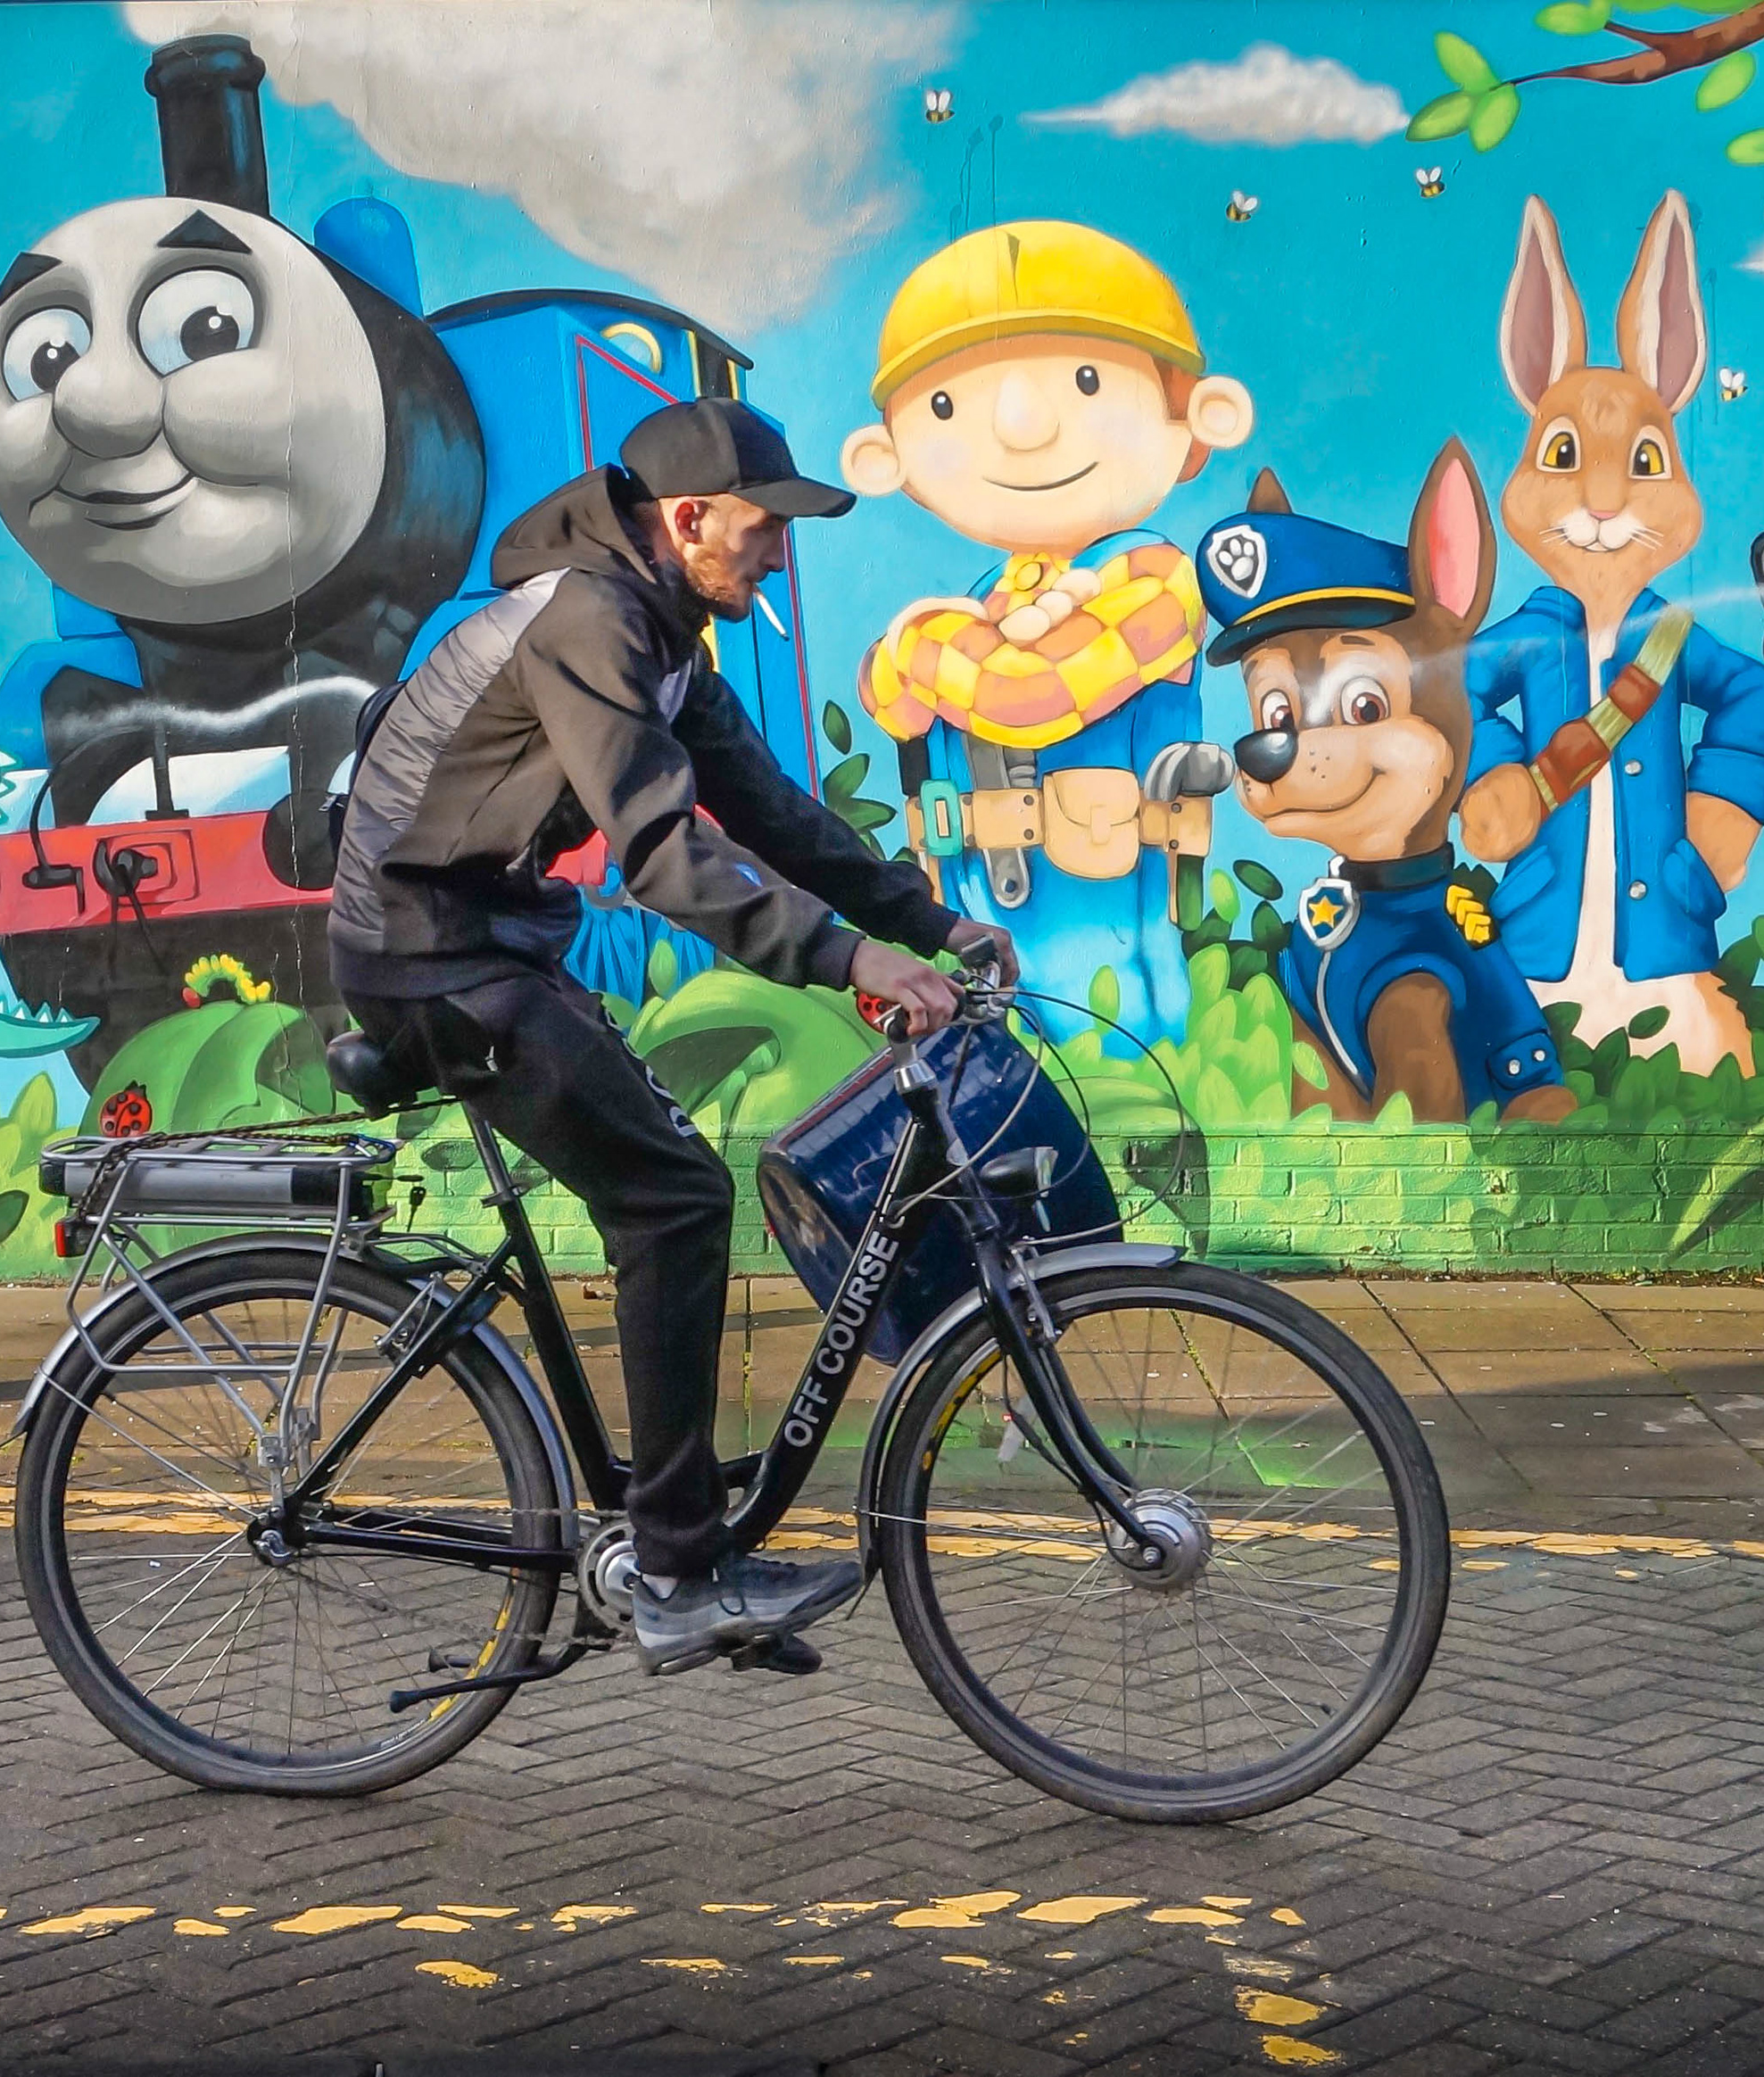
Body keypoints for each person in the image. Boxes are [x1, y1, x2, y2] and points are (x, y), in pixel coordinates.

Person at [330, 396, 1007, 1675]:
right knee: (677, 1200)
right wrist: (849, 960)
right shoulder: (590, 618)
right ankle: (675, 1571)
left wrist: (927, 923)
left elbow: (766, 811)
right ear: (690, 519)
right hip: (427, 958)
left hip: (484, 941)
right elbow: (657, 851)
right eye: (766, 530)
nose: (780, 555)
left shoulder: (660, 627)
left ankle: (688, 1540)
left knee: (676, 1186)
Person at [835, 220, 1256, 1050]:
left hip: (1107, 976)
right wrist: (929, 648)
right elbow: (885, 697)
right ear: (888, 458)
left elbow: (1022, 694)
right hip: (985, 952)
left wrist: (921, 644)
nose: (1023, 425)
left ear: (1200, 417)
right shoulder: (984, 599)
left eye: (1088, 382)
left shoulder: (1156, 579)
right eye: (949, 404)